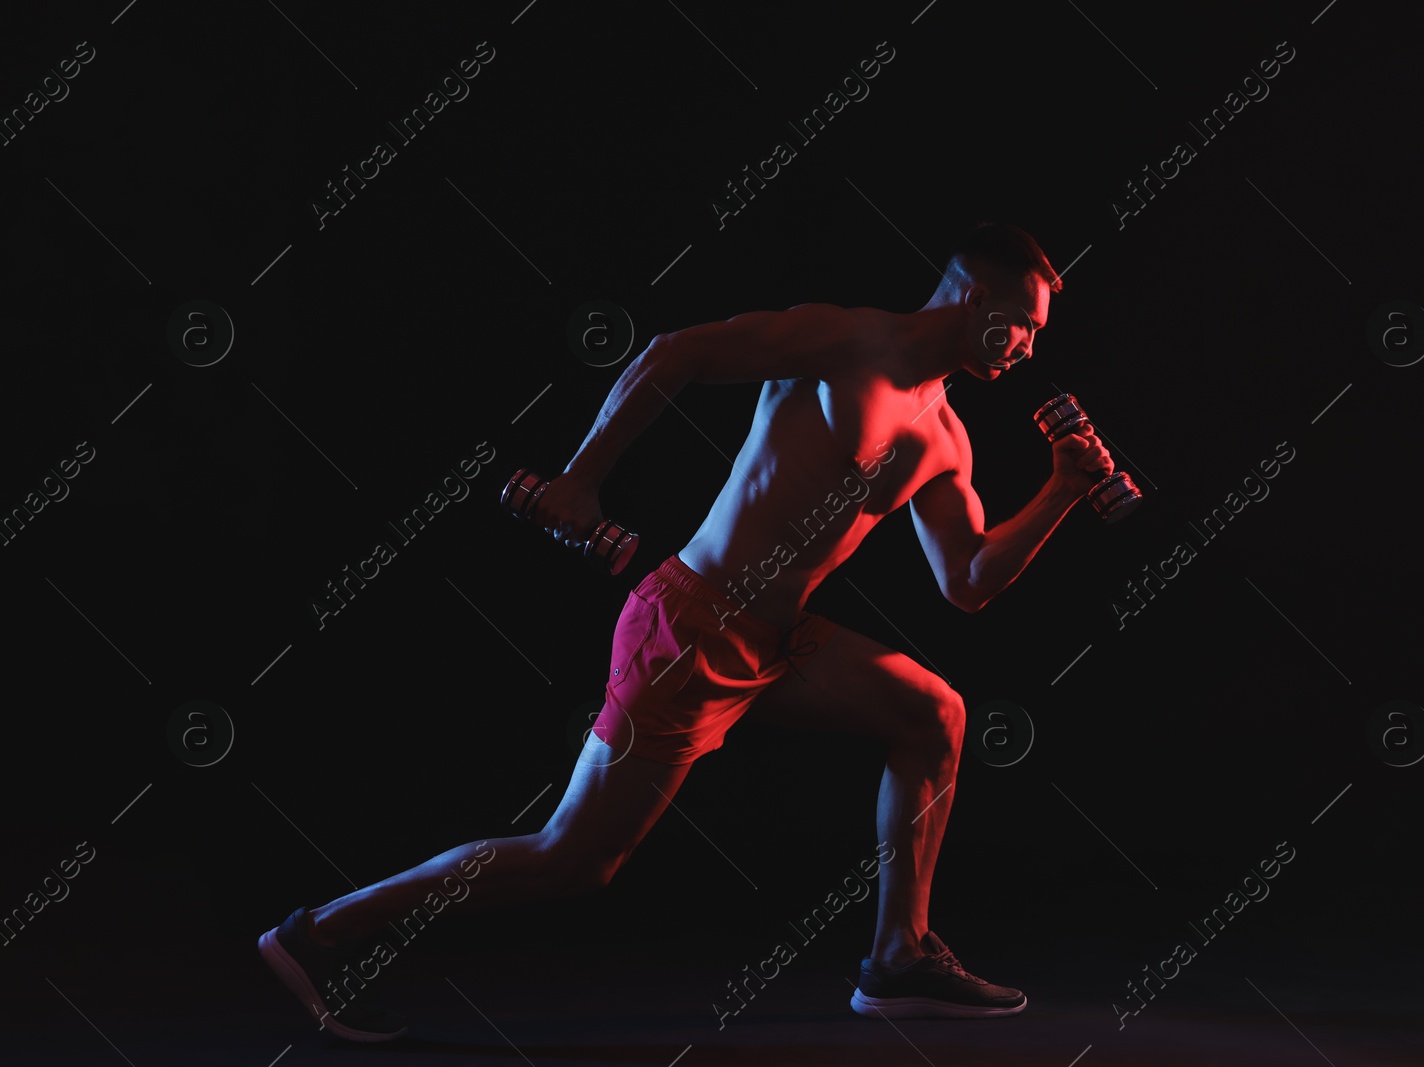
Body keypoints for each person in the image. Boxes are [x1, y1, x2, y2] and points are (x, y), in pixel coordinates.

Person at [258, 222, 1116, 1041]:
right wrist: (582, 478)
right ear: (970, 295)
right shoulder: (847, 341)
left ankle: (898, 957)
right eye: (1024, 325)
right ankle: (316, 934)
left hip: (782, 643)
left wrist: (1062, 492)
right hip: (690, 626)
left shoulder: (945, 437)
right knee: (573, 859)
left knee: (935, 714)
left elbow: (967, 582)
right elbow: (679, 352)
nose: (1030, 348)